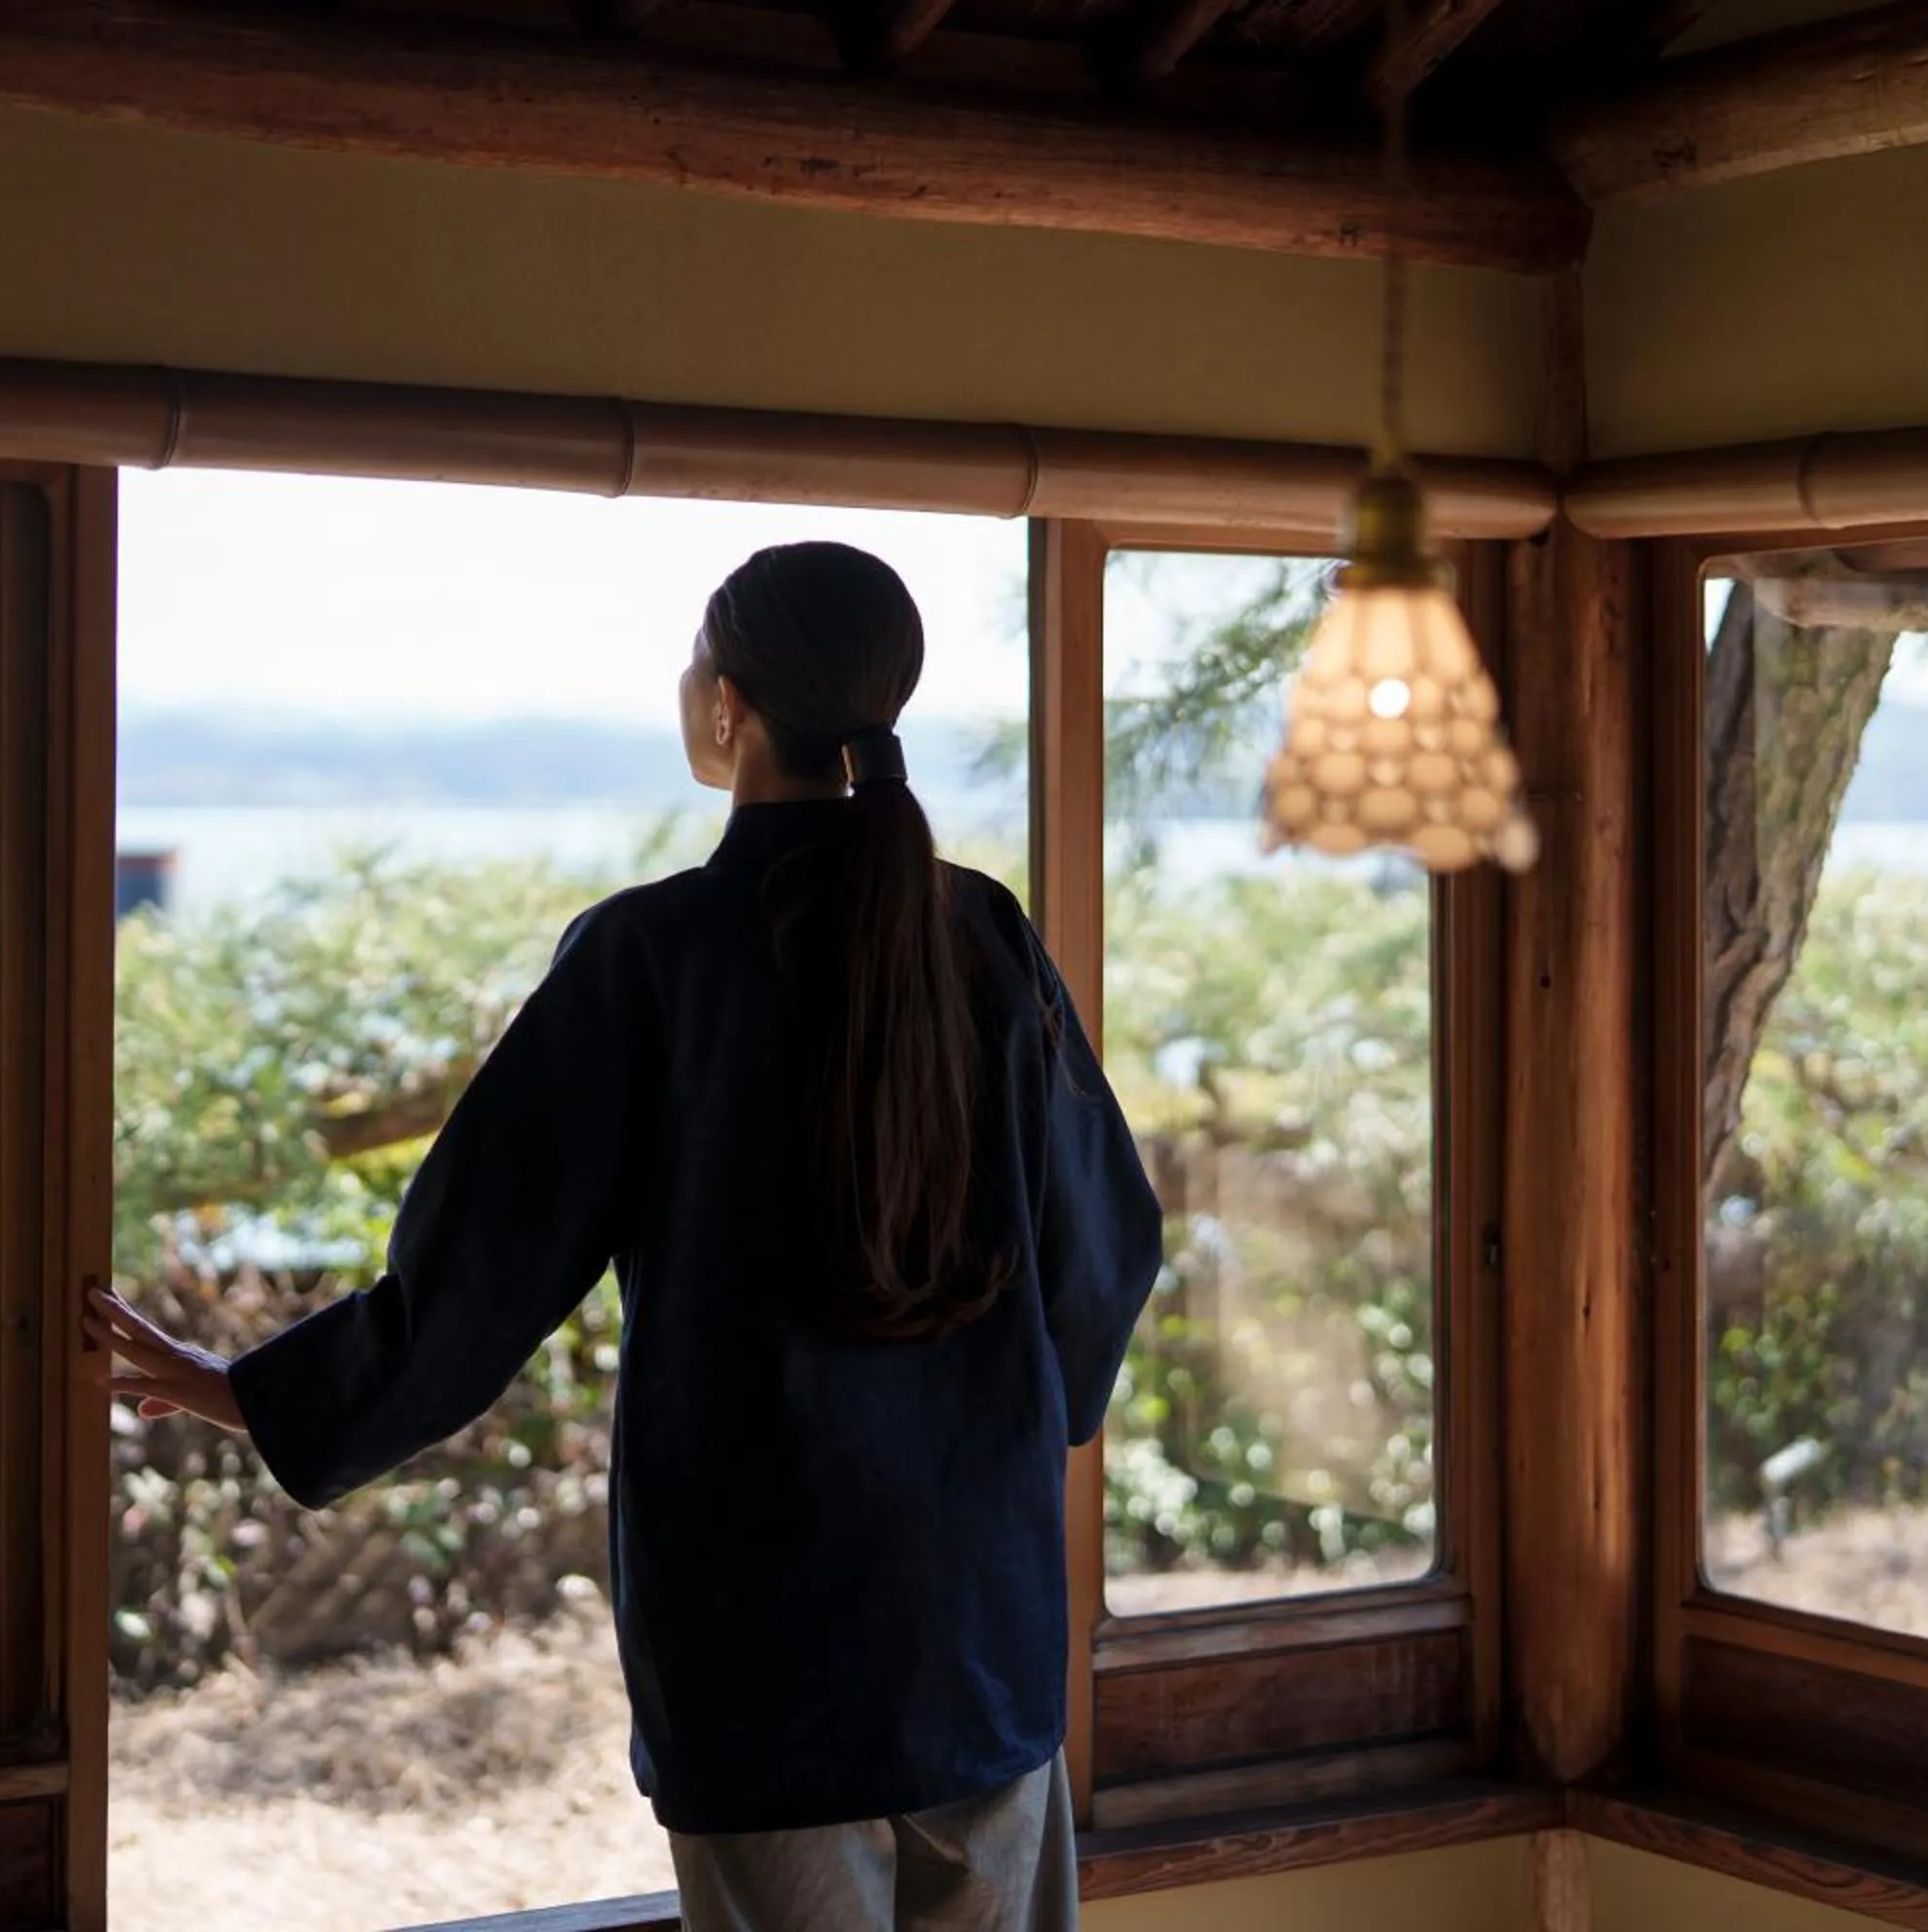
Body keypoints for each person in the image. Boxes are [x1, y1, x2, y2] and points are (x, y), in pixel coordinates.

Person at [85, 539, 1164, 1932]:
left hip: (766, 1642)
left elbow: (477, 1276)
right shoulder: (984, 936)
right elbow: (1108, 1247)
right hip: (983, 1626)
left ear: (728, 709)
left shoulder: (655, 956)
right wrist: (1014, 1425)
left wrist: (240, 1389)